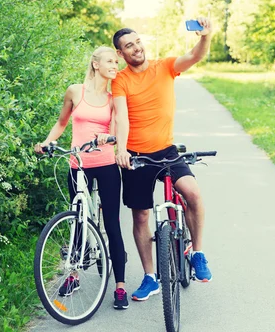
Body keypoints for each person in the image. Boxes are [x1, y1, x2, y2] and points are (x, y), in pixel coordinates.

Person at [111, 17, 213, 301]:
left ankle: (198, 252)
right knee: (141, 215)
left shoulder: (164, 66)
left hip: (166, 150)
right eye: (128, 46)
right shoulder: (120, 80)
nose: (136, 48)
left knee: (192, 193)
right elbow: (121, 116)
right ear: (121, 54)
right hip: (135, 154)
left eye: (137, 42)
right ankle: (150, 276)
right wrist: (121, 149)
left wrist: (205, 36)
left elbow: (195, 55)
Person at [34, 46, 128, 310]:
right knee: (77, 219)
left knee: (111, 224)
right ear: (96, 64)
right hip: (78, 164)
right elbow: (62, 123)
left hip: (106, 164)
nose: (115, 65)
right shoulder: (75, 91)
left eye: (116, 62)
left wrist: (108, 137)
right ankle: (73, 274)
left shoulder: (113, 98)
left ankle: (120, 286)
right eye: (110, 61)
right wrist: (47, 142)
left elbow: (116, 129)